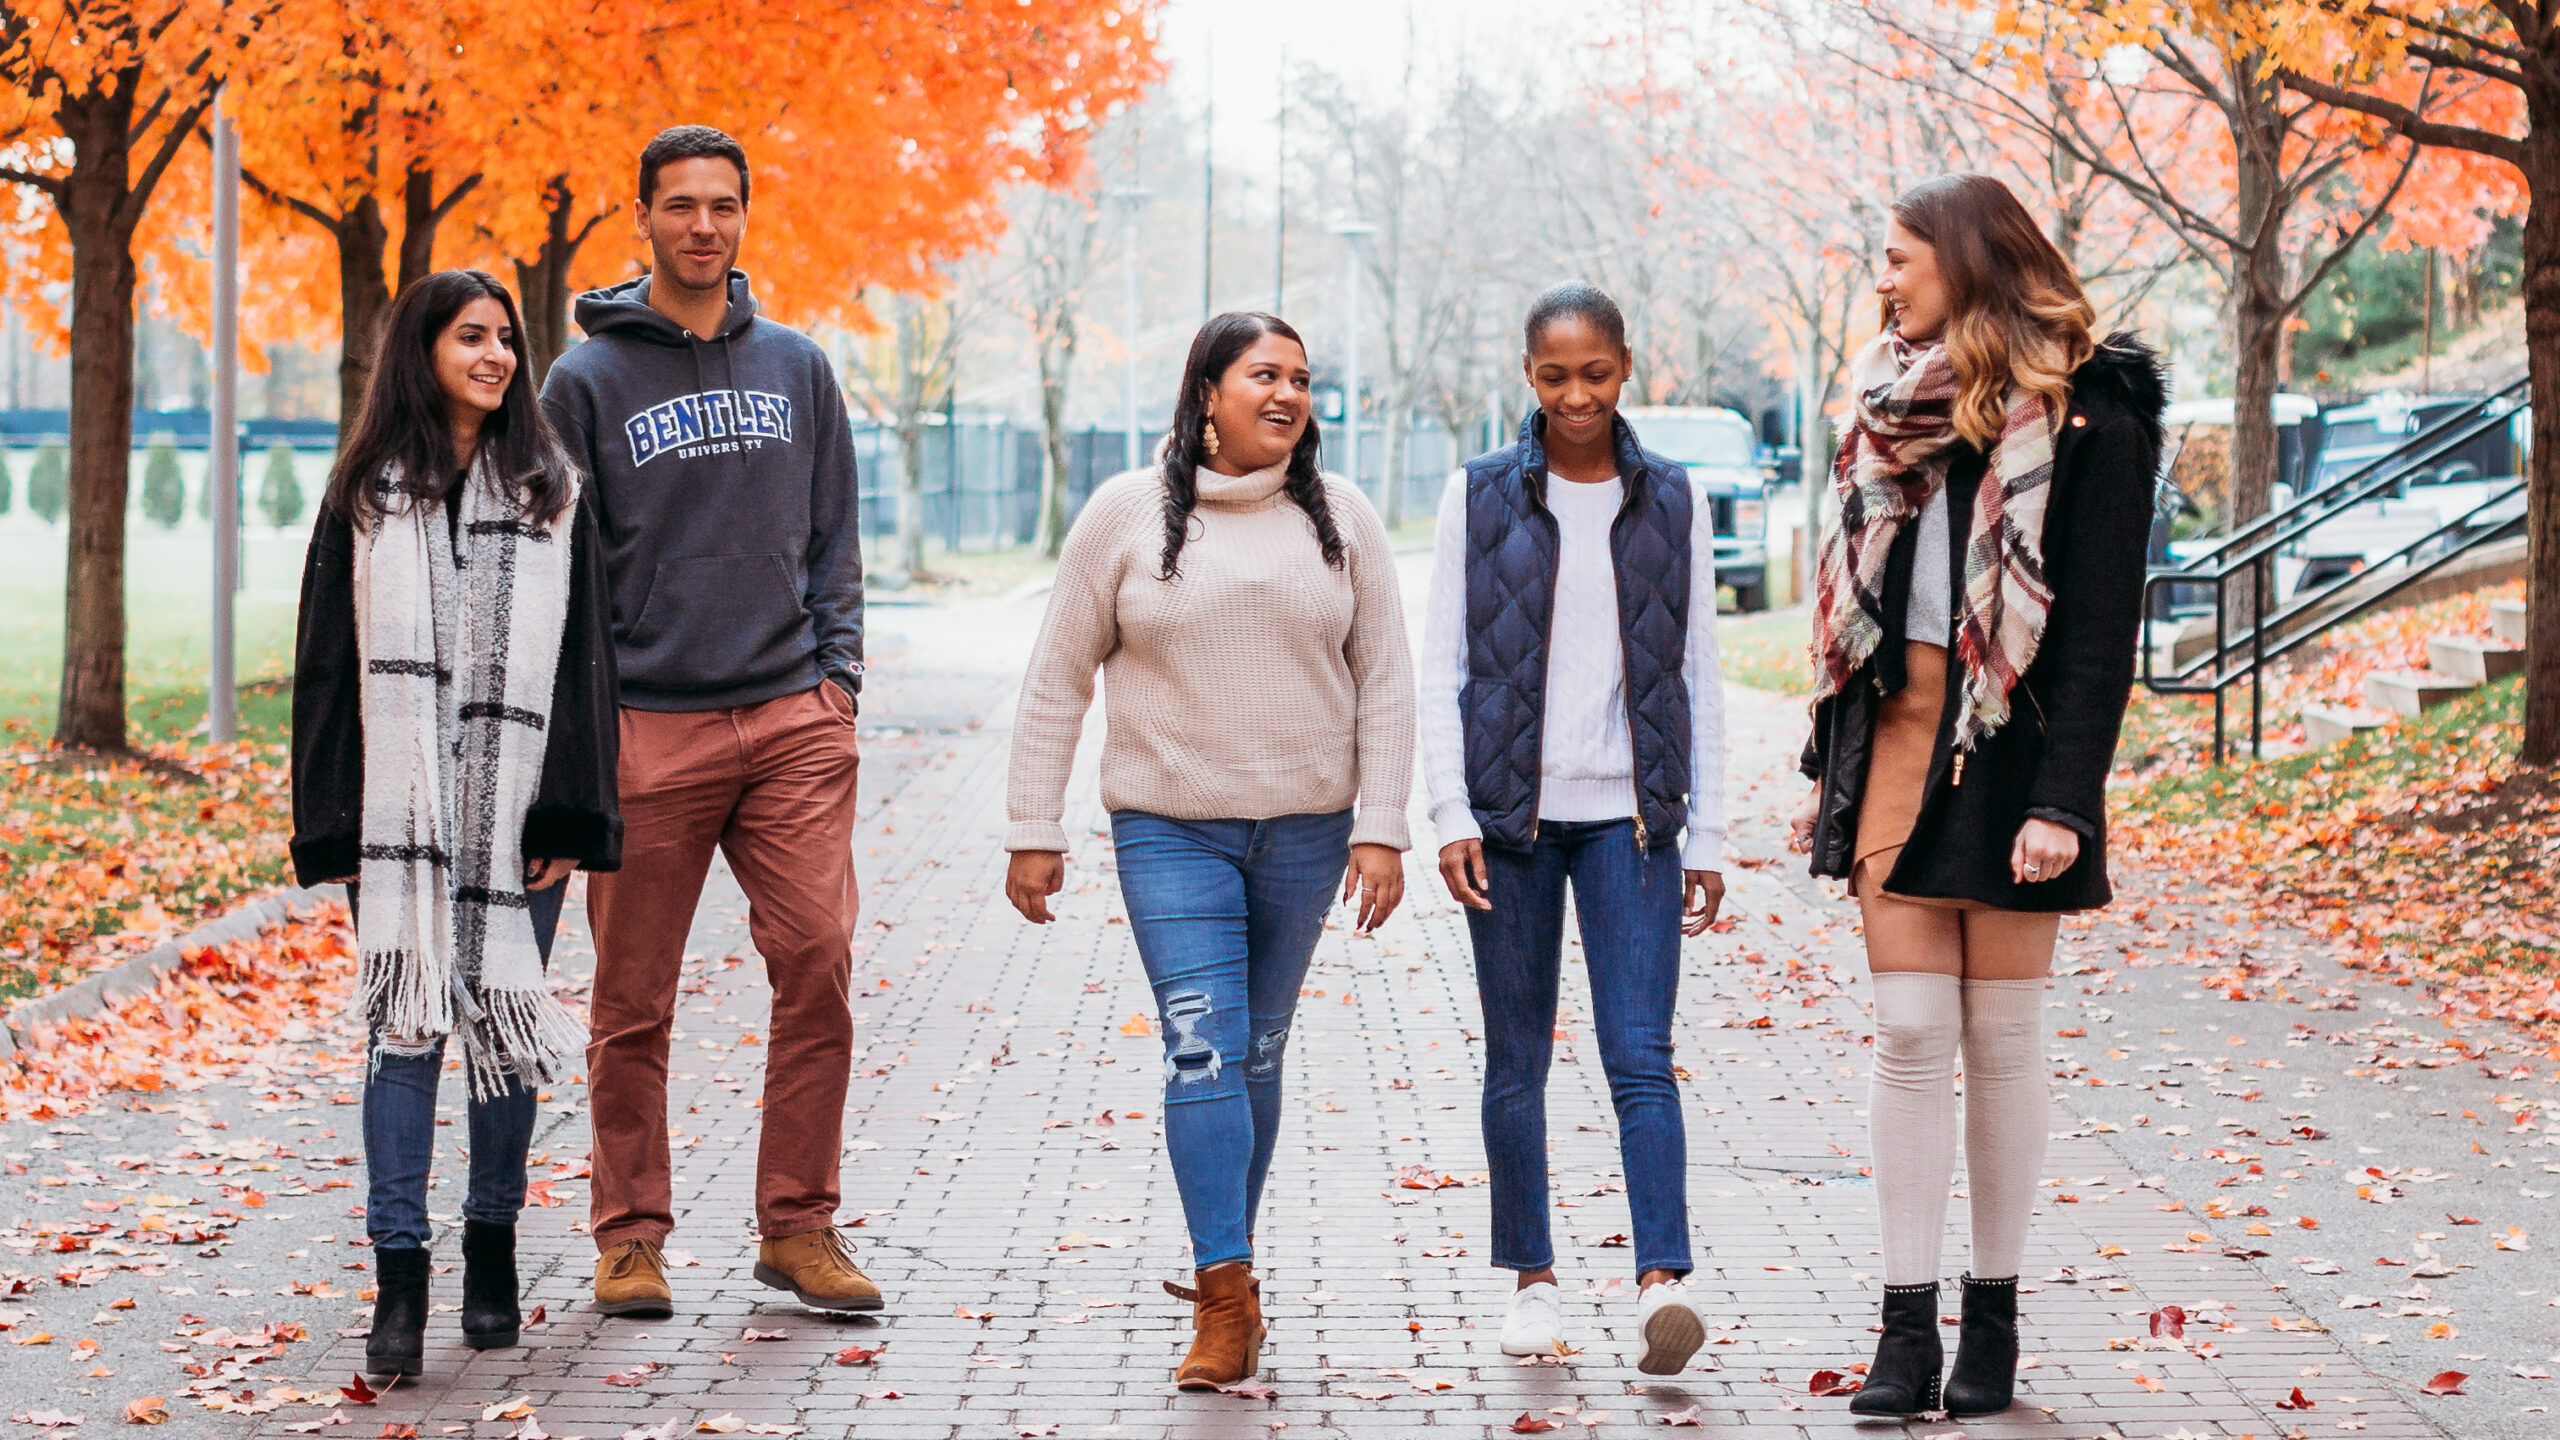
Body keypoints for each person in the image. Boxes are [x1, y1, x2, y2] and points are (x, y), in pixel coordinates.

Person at [1787, 174, 2166, 1418]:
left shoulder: (2091, 406)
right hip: (1895, 736)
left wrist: (2067, 801)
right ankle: (1902, 1324)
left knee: (2000, 1044)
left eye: (1898, 257)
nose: (1882, 278)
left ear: (1965, 257)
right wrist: (1819, 774)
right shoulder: (1888, 403)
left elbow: (2102, 625)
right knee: (1906, 1033)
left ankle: (1989, 1318)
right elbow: (1853, 609)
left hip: (2015, 749)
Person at [1003, 312, 1415, 1389]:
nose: (1286, 394)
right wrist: (1032, 830)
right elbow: (1057, 676)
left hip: (1306, 829)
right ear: (1205, 394)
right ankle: (1223, 1296)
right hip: (1168, 826)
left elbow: (1387, 680)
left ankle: (1230, 1260)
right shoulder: (1125, 516)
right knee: (1202, 1046)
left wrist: (1382, 825)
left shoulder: (1341, 519)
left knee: (1256, 1052)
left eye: (1301, 378)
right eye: (1262, 374)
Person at [538, 125, 875, 1318]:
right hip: (649, 729)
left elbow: (837, 532)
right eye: (679, 205)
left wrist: (837, 682)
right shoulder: (582, 385)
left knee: (820, 964)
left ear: (745, 217)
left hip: (790, 716)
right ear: (641, 218)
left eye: (722, 205)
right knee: (632, 1001)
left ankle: (799, 1226)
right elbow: (555, 571)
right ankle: (630, 1236)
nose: (702, 226)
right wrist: (582, 740)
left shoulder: (797, 366)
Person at [290, 269, 620, 1378]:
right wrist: (337, 824)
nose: (493, 356)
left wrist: (572, 809)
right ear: (421, 350)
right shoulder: (368, 493)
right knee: (405, 1031)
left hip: (523, 813)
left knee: (504, 1027)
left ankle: (491, 1245)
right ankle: (399, 1278)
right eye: (469, 337)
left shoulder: (551, 488)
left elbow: (586, 663)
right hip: (399, 816)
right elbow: (327, 671)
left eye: (505, 340)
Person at [1420, 283, 1727, 1377]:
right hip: (1511, 824)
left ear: (1626, 367)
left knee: (1640, 1055)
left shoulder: (1671, 500)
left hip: (1632, 826)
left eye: (1594, 372)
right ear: (1528, 376)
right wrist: (1448, 810)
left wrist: (1709, 834)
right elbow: (1443, 669)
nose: (1576, 395)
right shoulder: (1482, 495)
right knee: (1517, 1061)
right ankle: (1532, 1287)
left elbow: (1697, 673)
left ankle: (1661, 1286)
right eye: (1554, 376)